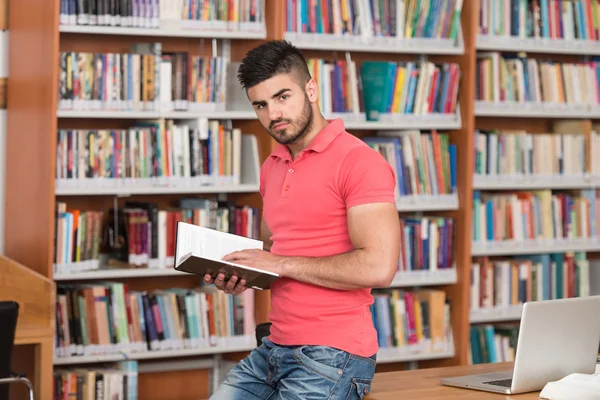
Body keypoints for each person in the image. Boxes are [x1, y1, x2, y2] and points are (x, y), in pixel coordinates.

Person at [206, 40, 401, 399]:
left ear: (311, 89)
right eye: (261, 105)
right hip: (274, 347)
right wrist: (241, 274)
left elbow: (378, 267)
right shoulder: (272, 166)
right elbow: (275, 252)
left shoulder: (360, 162)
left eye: (283, 97)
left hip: (334, 353)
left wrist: (277, 263)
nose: (273, 114)